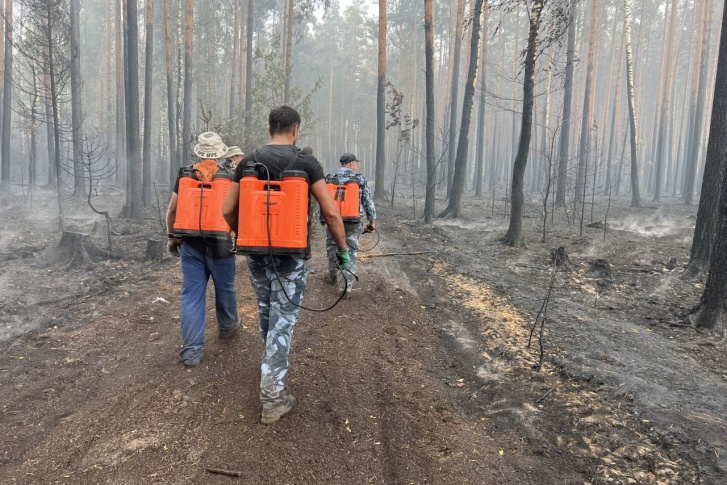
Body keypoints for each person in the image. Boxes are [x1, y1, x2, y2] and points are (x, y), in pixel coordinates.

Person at [222, 106, 350, 425]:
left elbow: (226, 210)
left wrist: (243, 231)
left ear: (269, 130)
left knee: (267, 310)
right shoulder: (306, 162)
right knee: (283, 318)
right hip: (291, 255)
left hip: (256, 253)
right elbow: (332, 213)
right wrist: (343, 252)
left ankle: (270, 367)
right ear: (295, 130)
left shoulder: (249, 160)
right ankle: (273, 397)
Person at [166, 131, 240, 368]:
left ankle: (191, 353)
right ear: (220, 154)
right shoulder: (228, 176)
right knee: (225, 288)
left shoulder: (187, 175)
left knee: (192, 295)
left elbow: (172, 210)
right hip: (220, 245)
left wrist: (171, 237)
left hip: (190, 245)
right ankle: (228, 328)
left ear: (198, 152)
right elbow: (235, 211)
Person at [322, 152, 376, 298]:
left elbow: (323, 200)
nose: (357, 166)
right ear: (351, 163)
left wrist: (323, 219)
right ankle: (345, 287)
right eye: (356, 163)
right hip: (352, 222)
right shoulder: (359, 179)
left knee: (333, 247)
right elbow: (368, 201)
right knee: (350, 252)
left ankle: (332, 275)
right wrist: (371, 220)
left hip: (333, 221)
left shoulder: (330, 178)